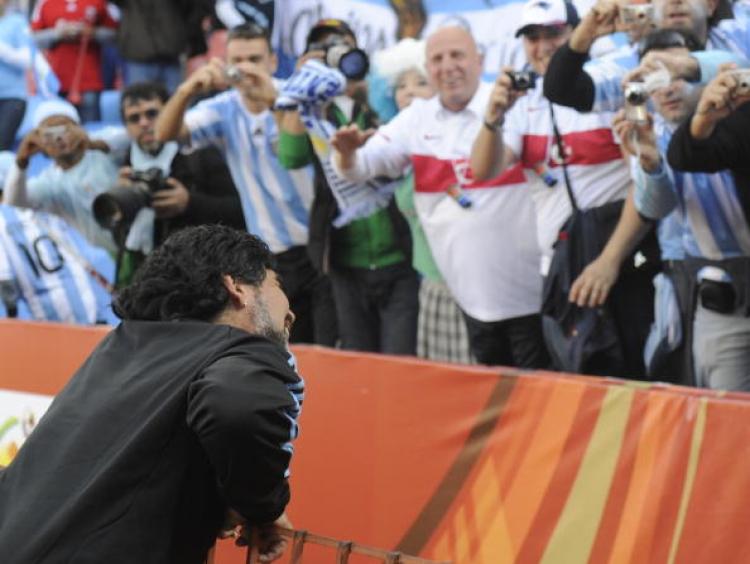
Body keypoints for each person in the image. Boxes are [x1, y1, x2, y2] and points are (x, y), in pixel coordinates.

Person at [0, 224, 301, 563]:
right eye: (277, 286)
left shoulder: (121, 348)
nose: (290, 312)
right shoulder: (242, 350)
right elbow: (235, 409)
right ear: (238, 288)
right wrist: (262, 505)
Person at [331, 25, 547, 368]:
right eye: (437, 59)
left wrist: (492, 120)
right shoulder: (416, 118)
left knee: (540, 404)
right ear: (428, 68)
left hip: (533, 299)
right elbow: (361, 167)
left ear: (480, 59)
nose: (448, 66)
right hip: (465, 301)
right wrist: (346, 154)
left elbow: (487, 168)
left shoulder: (510, 102)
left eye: (457, 55)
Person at [469, 0, 659, 377]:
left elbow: (648, 181)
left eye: (553, 34)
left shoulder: (607, 86)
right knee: (580, 390)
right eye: (532, 38)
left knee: (639, 384)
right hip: (560, 269)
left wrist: (609, 262)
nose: (542, 47)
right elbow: (482, 170)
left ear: (577, 34)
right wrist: (492, 120)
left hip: (623, 264)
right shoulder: (522, 102)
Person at [155, 22, 337, 346]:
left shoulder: (298, 95)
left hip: (322, 245)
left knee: (329, 349)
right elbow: (164, 134)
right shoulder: (223, 109)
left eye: (254, 59)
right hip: (270, 255)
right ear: (225, 65)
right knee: (284, 349)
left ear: (272, 62)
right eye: (238, 61)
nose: (246, 68)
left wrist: (273, 102)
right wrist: (186, 91)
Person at [276, 18, 420, 356]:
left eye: (341, 45)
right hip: (345, 264)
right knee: (359, 365)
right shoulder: (313, 111)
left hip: (399, 259)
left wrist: (365, 89)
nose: (333, 55)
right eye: (323, 49)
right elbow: (292, 156)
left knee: (400, 364)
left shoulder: (382, 99)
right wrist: (303, 88)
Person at [619, 40, 750, 390]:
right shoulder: (653, 136)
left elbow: (731, 60)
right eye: (652, 81)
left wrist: (683, 65)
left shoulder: (736, 105)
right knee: (726, 417)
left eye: (672, 74)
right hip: (717, 294)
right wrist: (647, 161)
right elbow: (655, 208)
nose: (668, 88)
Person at [368, 37, 474, 363]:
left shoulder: (455, 144)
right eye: (401, 84)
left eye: (420, 82)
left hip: (467, 284)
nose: (409, 90)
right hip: (430, 285)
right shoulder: (394, 154)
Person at [107, 81, 245, 284]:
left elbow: (240, 212)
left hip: (203, 273)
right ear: (126, 127)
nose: (144, 123)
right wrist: (122, 203)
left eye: (152, 114)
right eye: (134, 118)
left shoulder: (200, 152)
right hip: (149, 273)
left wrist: (189, 203)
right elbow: (120, 234)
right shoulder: (129, 162)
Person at [543, 0, 748, 114]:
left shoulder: (741, 34)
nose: (675, 1)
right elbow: (562, 91)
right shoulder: (633, 64)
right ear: (650, 8)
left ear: (711, 5)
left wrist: (688, 66)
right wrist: (583, 36)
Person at [3, 99, 119, 255]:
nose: (58, 139)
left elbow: (130, 139)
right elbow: (14, 200)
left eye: (64, 129)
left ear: (78, 127)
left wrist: (89, 142)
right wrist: (21, 161)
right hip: (111, 255)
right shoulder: (49, 181)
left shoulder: (104, 149)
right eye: (49, 133)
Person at [31, 0, 117, 122]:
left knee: (91, 130)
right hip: (56, 82)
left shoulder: (98, 2)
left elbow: (115, 34)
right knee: (60, 128)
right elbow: (32, 38)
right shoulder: (46, 3)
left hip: (89, 79)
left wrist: (92, 32)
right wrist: (57, 33)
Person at [112, 0, 213, 93]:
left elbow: (194, 7)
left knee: (174, 105)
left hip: (171, 54)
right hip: (139, 55)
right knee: (139, 101)